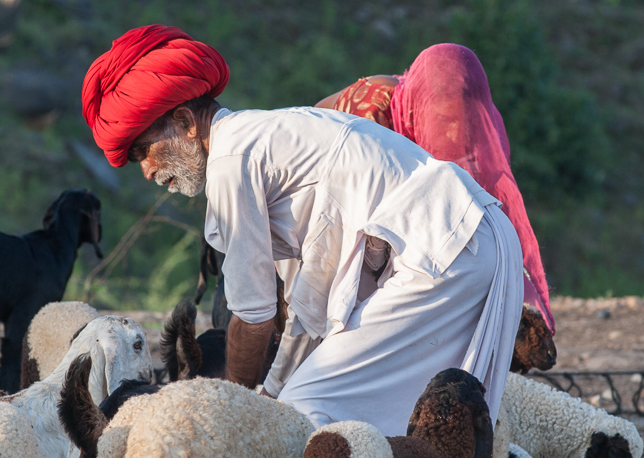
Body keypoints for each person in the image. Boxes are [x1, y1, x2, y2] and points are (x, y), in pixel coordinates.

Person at [82, 25, 523, 436]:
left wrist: (232, 408)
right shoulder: (265, 137)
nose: (146, 170)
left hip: (446, 252)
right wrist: (268, 395)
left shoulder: (234, 163)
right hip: (471, 241)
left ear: (184, 122)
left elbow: (254, 318)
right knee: (347, 416)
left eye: (144, 149)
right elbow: (307, 315)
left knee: (304, 418)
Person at [316, 43, 554, 335]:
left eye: (458, 121)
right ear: (423, 107)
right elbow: (353, 215)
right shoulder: (370, 114)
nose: (450, 134)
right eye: (443, 120)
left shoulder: (480, 121)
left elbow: (477, 206)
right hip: (324, 197)